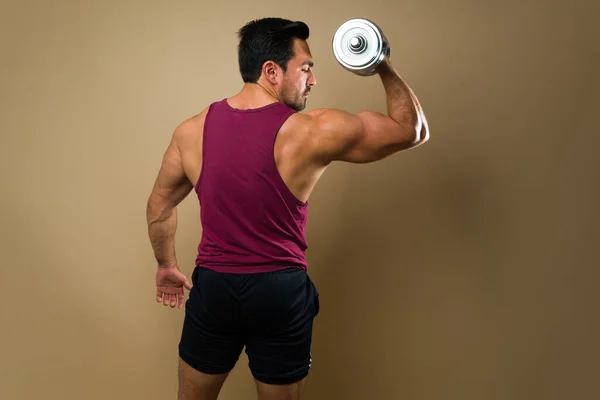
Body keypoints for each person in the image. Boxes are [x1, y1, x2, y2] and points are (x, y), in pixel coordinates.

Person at [145, 16, 429, 400]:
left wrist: (166, 264)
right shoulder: (314, 130)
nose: (312, 80)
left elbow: (160, 207)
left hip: (214, 289)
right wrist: (379, 61)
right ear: (271, 71)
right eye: (306, 68)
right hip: (278, 292)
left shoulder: (190, 131)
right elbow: (411, 130)